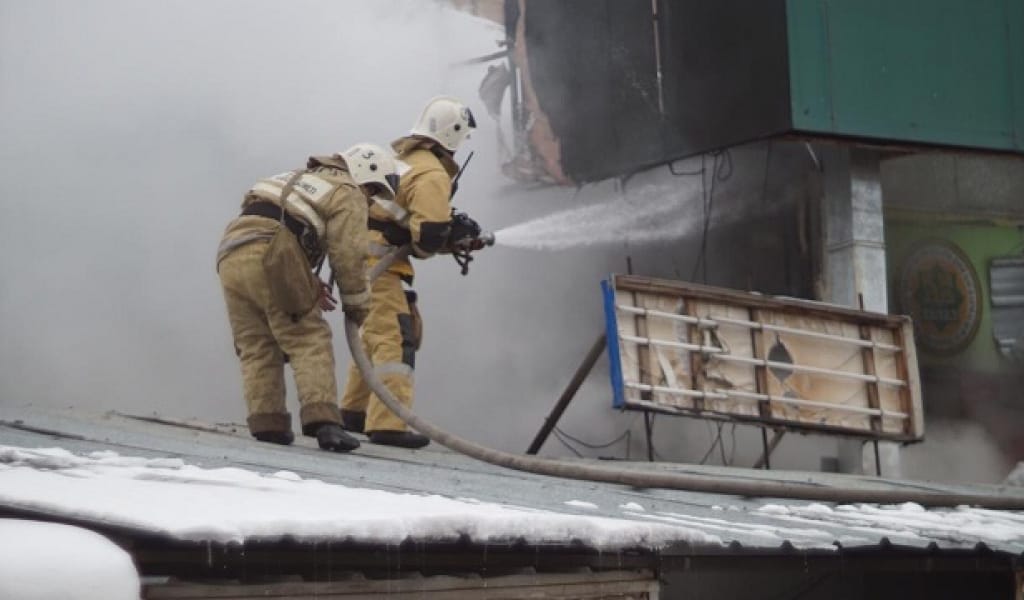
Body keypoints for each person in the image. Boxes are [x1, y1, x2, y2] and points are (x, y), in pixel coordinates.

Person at [217, 143, 400, 452]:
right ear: (363, 172)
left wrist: (306, 279)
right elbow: (349, 254)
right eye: (372, 189)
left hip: (231, 252)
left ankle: (268, 423)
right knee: (308, 337)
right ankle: (324, 423)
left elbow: (272, 222)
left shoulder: (296, 177)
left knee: (257, 343)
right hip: (274, 250)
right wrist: (357, 306)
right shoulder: (348, 190)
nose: (369, 198)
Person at [340, 97, 478, 449]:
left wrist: (448, 233)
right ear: (453, 134)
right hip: (380, 265)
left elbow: (405, 222)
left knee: (372, 337)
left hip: (360, 257)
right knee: (395, 338)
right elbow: (428, 236)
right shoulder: (431, 173)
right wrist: (453, 235)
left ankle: (354, 412)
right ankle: (388, 423)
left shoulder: (404, 161)